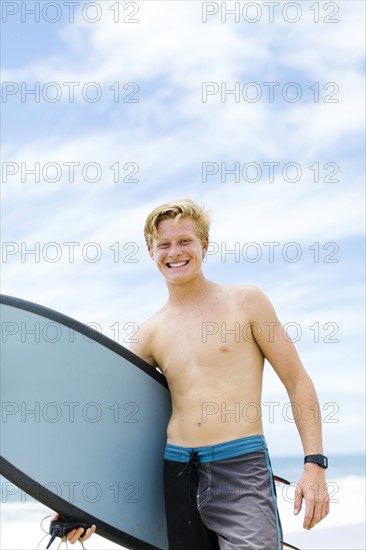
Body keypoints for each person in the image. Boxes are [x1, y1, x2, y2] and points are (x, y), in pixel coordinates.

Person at [67, 198, 329, 548]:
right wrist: (78, 505)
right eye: (164, 244)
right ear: (151, 252)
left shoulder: (246, 302)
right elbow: (119, 424)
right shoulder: (150, 333)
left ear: (204, 245)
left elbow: (298, 381)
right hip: (177, 473)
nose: (175, 252)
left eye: (185, 241)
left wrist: (315, 465)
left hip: (240, 468)